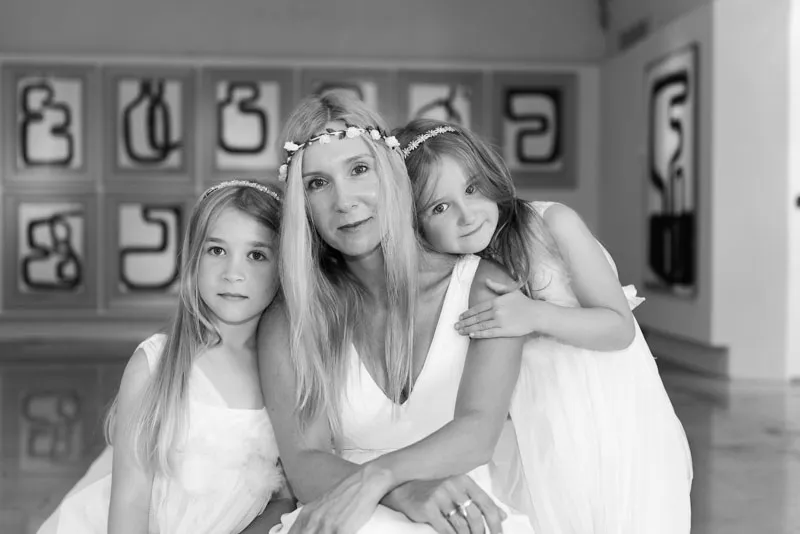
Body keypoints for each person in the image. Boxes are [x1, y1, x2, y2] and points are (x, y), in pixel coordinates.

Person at [395, 118, 694, 534]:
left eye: (471, 189)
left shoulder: (552, 225)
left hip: (607, 418)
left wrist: (534, 315)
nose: (466, 216)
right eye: (439, 207)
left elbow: (618, 328)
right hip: (534, 431)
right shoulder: (456, 271)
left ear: (490, 175)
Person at [258, 93, 535, 534]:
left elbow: (479, 429)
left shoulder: (482, 285)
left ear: (389, 172)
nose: (344, 201)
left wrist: (381, 475)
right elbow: (304, 462)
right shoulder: (292, 319)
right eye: (317, 183)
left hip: (464, 509)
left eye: (358, 170)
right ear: (301, 205)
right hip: (342, 509)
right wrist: (402, 491)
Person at [38, 180, 295, 534]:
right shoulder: (155, 366)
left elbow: (283, 496)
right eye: (217, 250)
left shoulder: (282, 370)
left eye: (256, 255)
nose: (233, 273)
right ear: (193, 259)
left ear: (283, 269)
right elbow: (130, 502)